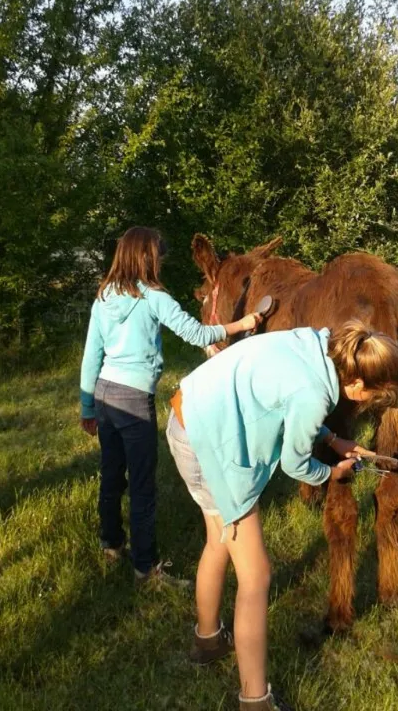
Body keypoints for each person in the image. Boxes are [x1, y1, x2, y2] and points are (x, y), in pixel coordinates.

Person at [166, 320, 398, 711]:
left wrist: (332, 439)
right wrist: (331, 472)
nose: (365, 407)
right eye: (372, 399)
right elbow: (295, 463)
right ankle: (254, 698)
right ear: (358, 387)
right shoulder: (314, 394)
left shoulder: (314, 346)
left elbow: (284, 397)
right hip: (206, 439)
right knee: (256, 574)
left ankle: (208, 640)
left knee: (218, 539)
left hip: (188, 416)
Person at [79, 226, 259, 584]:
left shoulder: (104, 296)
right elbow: (197, 333)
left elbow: (91, 354)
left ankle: (111, 543)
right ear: (148, 258)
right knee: (143, 485)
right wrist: (242, 323)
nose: (160, 263)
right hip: (132, 401)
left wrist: (87, 407)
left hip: (104, 395)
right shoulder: (153, 297)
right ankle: (145, 567)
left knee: (112, 474)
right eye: (158, 257)